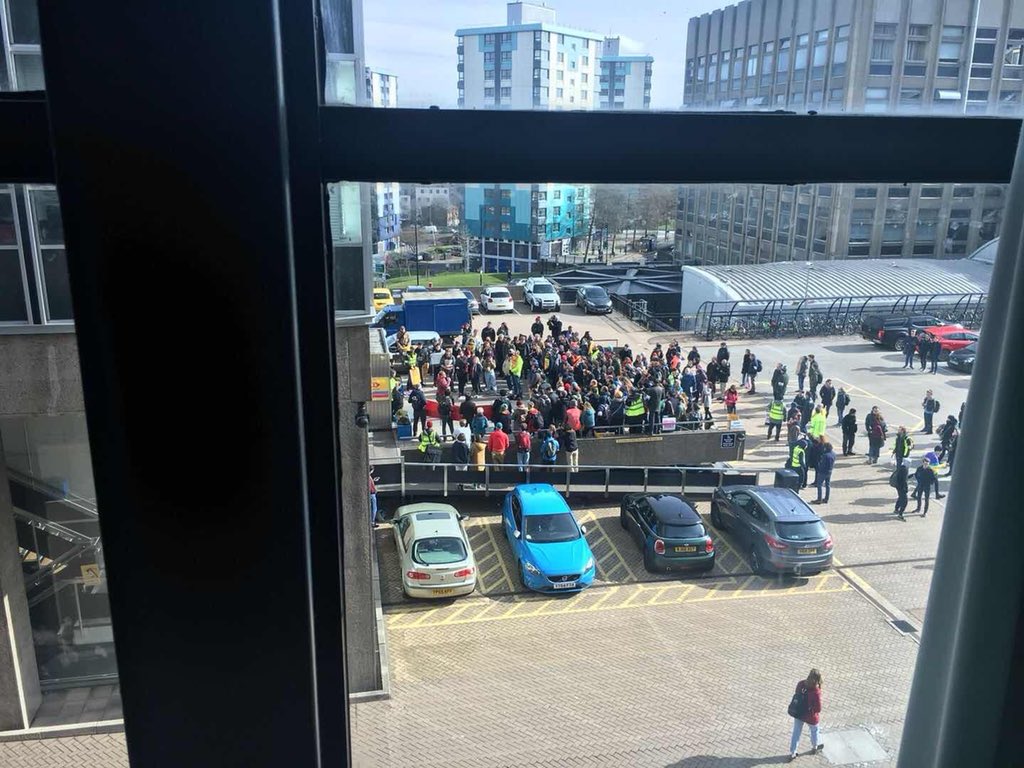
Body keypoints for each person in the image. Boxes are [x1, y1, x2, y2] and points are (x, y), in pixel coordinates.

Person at [788, 669, 824, 761]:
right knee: (814, 730)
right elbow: (818, 709)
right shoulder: (816, 691)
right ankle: (815, 747)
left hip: (799, 713)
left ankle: (793, 752)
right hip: (811, 716)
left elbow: (796, 694)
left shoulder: (801, 684)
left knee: (796, 732)